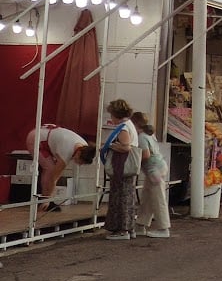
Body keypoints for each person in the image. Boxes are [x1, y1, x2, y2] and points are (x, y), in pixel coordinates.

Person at [25, 123, 94, 207]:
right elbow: (54, 177)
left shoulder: (84, 146)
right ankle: (44, 201)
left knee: (52, 170)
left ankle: (46, 200)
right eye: (80, 161)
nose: (79, 164)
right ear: (79, 153)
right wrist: (49, 198)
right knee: (50, 169)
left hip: (45, 134)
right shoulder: (67, 151)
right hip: (36, 140)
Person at [102, 99, 139, 240]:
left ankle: (121, 230)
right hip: (130, 166)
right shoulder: (130, 124)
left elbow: (126, 146)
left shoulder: (123, 127)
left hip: (122, 166)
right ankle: (129, 228)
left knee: (120, 197)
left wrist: (110, 146)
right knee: (128, 197)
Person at [131, 111, 170, 238]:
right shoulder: (149, 134)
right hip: (158, 168)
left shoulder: (141, 137)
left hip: (154, 171)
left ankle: (164, 228)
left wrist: (133, 158)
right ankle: (140, 225)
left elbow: (146, 155)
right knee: (147, 198)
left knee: (158, 199)